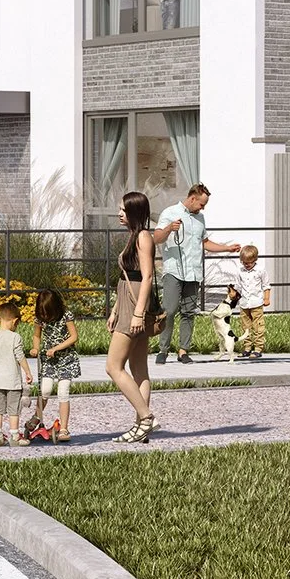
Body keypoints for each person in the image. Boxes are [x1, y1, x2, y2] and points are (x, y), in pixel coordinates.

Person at [155, 184, 243, 364]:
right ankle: (163, 349)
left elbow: (205, 242)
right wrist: (169, 229)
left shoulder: (200, 218)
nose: (203, 208)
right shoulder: (170, 213)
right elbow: (156, 238)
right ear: (193, 198)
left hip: (193, 272)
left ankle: (183, 351)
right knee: (169, 310)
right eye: (202, 204)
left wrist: (226, 248)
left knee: (188, 312)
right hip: (174, 270)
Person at [106, 191, 161, 443]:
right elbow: (128, 278)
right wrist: (116, 310)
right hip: (128, 304)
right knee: (139, 368)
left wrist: (137, 314)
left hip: (136, 306)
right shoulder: (134, 236)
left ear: (134, 212)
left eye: (123, 210)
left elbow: (147, 276)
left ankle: (146, 416)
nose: (119, 213)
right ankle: (141, 427)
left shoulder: (143, 237)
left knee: (113, 366)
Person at [22, 287, 81, 443]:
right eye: (43, 314)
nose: (46, 317)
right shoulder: (40, 319)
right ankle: (37, 416)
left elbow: (74, 336)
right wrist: (35, 347)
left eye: (48, 313)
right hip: (49, 361)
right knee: (45, 390)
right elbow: (37, 335)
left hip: (66, 360)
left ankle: (63, 428)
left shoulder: (66, 316)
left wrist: (56, 348)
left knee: (63, 391)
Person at [0, 300, 31, 447]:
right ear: (15, 321)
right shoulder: (15, 337)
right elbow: (20, 357)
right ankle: (14, 437)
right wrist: (27, 372)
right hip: (12, 382)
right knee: (13, 410)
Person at [227, 243, 268, 357]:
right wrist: (233, 295)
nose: (247, 265)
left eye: (249, 263)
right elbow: (238, 286)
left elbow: (266, 286)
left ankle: (258, 348)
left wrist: (266, 298)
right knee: (245, 326)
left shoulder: (260, 270)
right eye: (244, 263)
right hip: (244, 304)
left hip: (257, 303)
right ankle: (247, 347)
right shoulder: (240, 271)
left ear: (255, 259)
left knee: (258, 326)